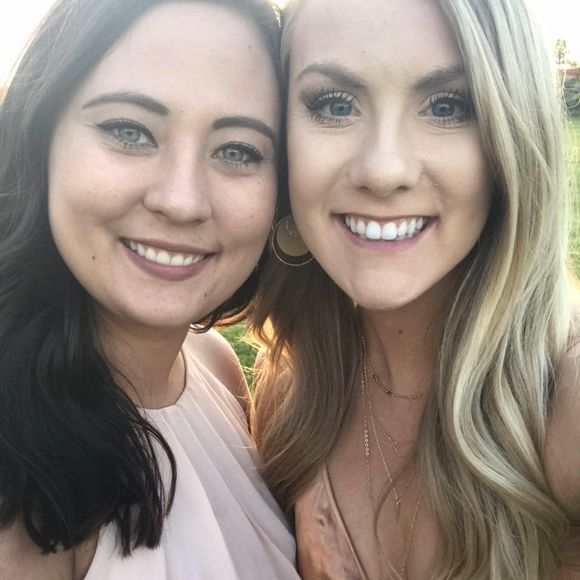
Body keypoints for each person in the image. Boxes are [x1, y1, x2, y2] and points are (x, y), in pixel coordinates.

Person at [250, 0, 580, 577]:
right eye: (335, 104)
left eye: (448, 106)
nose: (383, 170)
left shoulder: (565, 398)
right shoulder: (291, 390)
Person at [0, 0, 300, 578]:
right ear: (40, 138)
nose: (182, 200)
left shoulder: (216, 367)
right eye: (129, 131)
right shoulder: (19, 484)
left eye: (237, 150)